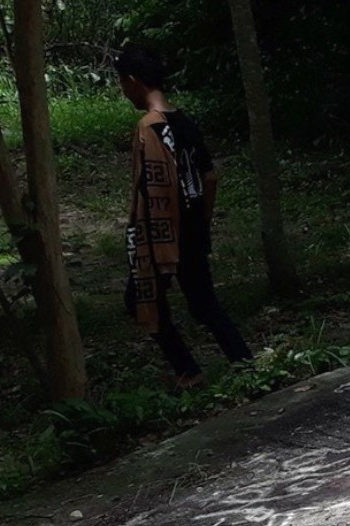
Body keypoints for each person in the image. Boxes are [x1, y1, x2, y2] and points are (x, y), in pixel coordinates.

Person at [116, 46, 252, 389]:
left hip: (164, 235)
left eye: (122, 84)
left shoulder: (149, 127)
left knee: (140, 298)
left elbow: (154, 190)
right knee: (204, 304)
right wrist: (202, 220)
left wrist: (152, 234)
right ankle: (245, 364)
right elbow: (210, 177)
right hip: (191, 226)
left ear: (133, 82)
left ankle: (188, 369)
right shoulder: (184, 120)